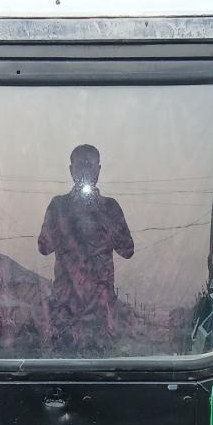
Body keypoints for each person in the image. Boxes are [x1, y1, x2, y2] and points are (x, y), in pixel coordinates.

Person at [38, 145, 134, 351]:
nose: (85, 170)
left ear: (98, 170)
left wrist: (102, 221)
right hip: (66, 312)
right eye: (80, 165)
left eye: (89, 165)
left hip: (100, 313)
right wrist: (68, 222)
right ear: (71, 170)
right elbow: (44, 247)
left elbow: (127, 250)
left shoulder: (110, 207)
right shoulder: (59, 206)